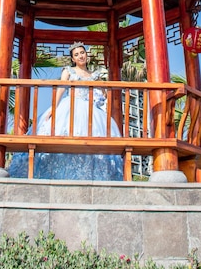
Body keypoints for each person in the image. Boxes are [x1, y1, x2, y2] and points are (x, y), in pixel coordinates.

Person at [8, 42, 123, 181]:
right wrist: (53, 108)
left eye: (82, 53)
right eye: (76, 55)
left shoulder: (94, 75)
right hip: (71, 107)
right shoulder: (69, 71)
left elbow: (104, 92)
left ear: (86, 54)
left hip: (91, 112)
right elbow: (61, 89)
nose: (80, 56)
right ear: (73, 59)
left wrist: (101, 95)